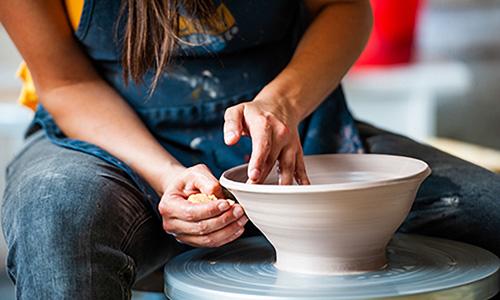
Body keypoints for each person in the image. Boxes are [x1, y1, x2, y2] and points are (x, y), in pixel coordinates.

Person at [1, 0, 499, 299]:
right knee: (55, 214)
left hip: (289, 130)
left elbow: (343, 8)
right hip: (113, 142)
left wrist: (282, 103)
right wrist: (166, 176)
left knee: (487, 212)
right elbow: (65, 84)